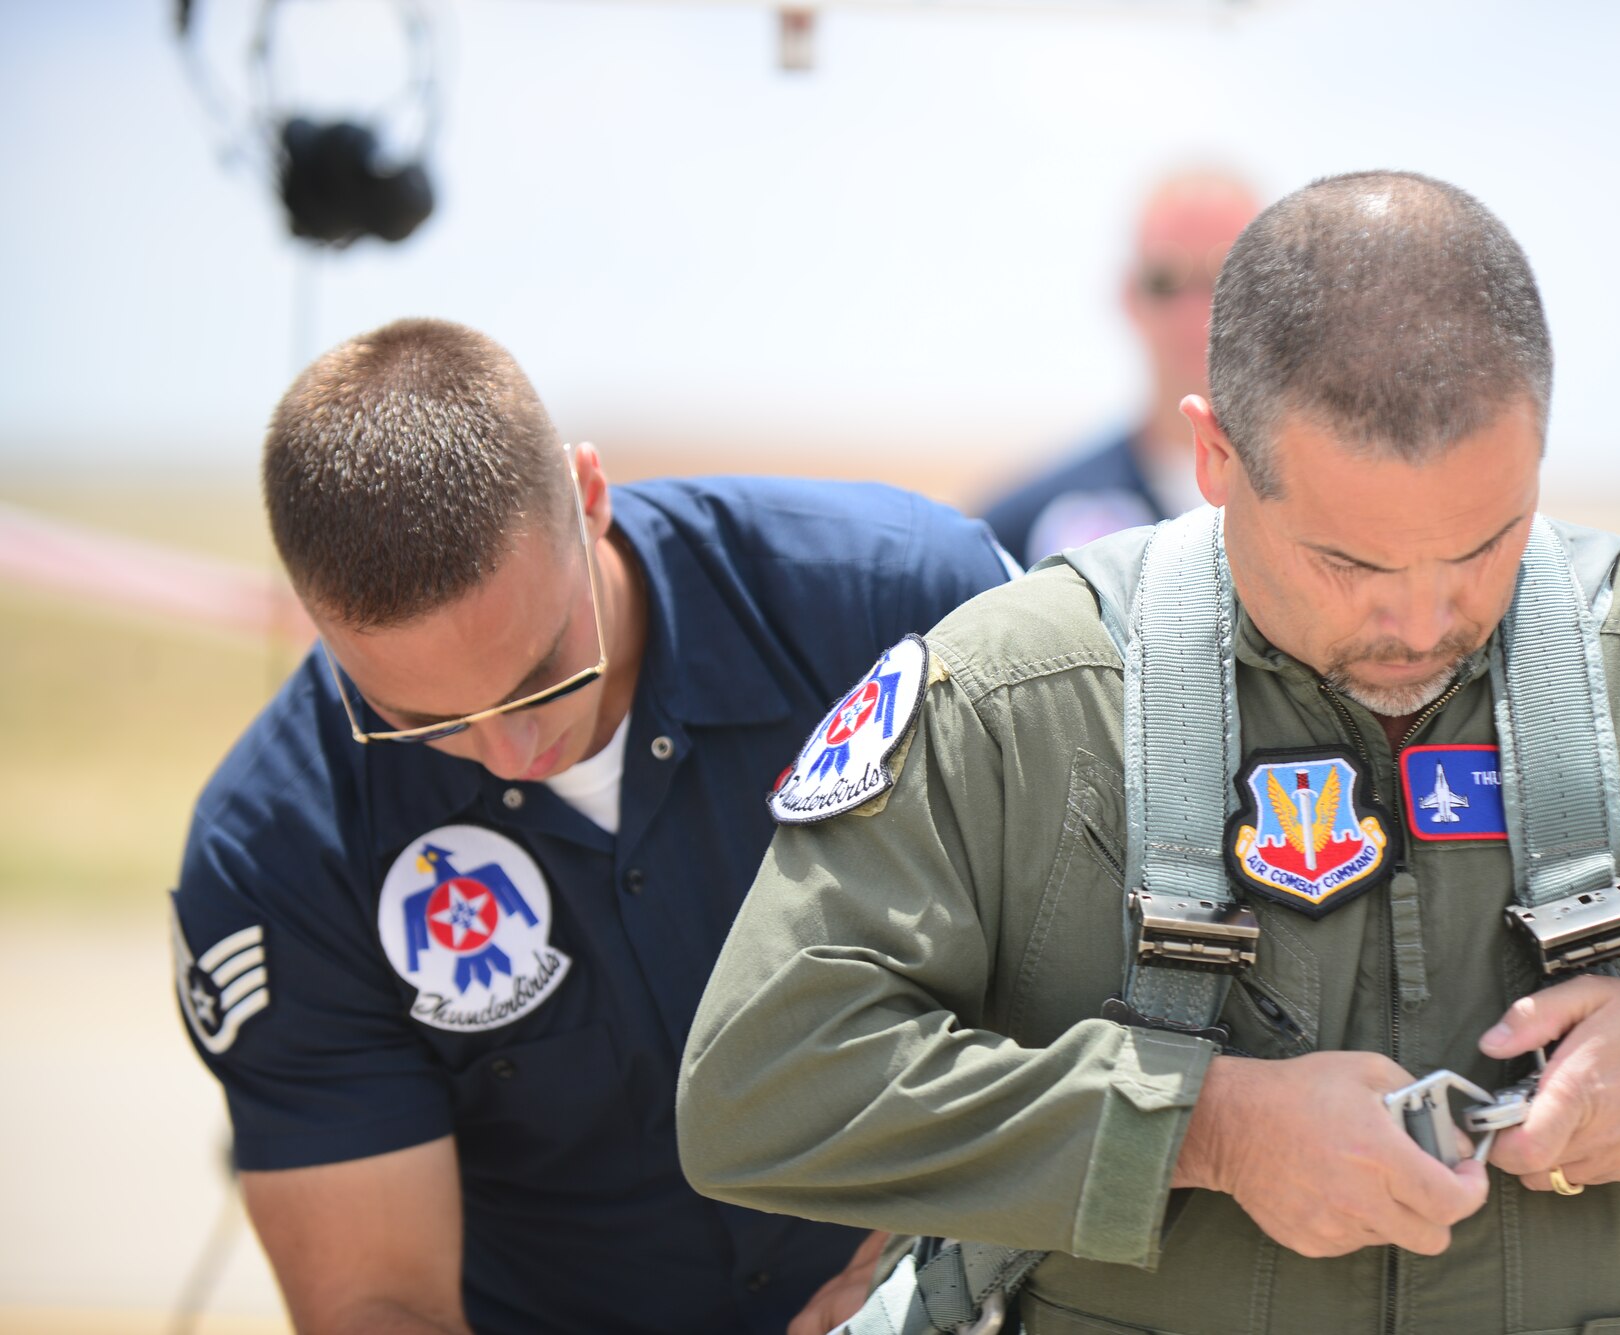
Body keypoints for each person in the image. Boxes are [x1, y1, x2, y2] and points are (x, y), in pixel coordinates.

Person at [677, 173, 1620, 1333]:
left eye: (1484, 542)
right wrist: (1204, 1127)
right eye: (1349, 560)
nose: (1421, 622)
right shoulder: (1025, 697)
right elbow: (763, 1084)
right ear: (1213, 452)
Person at [170, 318, 1012, 1335]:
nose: (512, 752)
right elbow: (377, 1303)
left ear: (589, 498)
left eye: (542, 675)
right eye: (422, 721)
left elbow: (1096, 973)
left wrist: (912, 1279)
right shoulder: (280, 850)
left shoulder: (908, 606)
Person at [981, 169, 1260, 566]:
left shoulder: (1334, 511)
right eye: (1165, 280)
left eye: (1227, 277)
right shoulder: (1026, 528)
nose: (1196, 309)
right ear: (1129, 296)